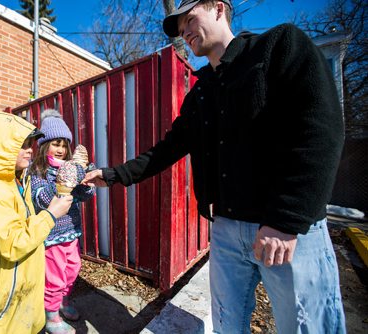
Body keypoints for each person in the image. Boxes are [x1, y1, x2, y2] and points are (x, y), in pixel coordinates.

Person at [82, 0, 346, 333]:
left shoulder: (279, 46)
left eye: (190, 20)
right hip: (226, 231)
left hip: (288, 230)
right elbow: (168, 148)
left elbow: (321, 129)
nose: (186, 32)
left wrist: (287, 218)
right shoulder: (203, 89)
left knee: (309, 328)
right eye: (180, 30)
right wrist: (113, 175)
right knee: (226, 325)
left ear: (219, 9)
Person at [0, 111, 73, 334]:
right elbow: (13, 243)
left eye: (30, 144)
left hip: (16, 298)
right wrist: (50, 214)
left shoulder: (16, 182)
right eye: (22, 144)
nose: (30, 149)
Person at [28, 109, 96, 334]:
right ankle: (51, 316)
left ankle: (63, 302)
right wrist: (63, 182)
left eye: (65, 145)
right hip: (52, 234)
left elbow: (85, 197)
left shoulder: (72, 168)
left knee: (73, 270)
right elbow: (42, 198)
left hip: (72, 231)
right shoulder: (38, 171)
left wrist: (84, 184)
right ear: (44, 145)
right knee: (54, 277)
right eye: (56, 144)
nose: (61, 149)